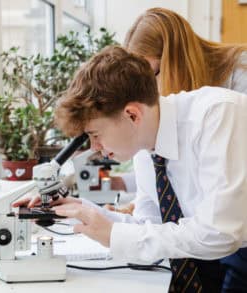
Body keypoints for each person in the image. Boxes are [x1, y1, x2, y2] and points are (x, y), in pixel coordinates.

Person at [42, 45, 247, 292]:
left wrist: (115, 235)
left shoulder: (217, 115)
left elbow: (219, 233)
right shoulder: (145, 149)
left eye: (95, 134)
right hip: (215, 255)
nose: (95, 147)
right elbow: (149, 226)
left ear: (132, 115)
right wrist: (83, 211)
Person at [107, 7, 247, 216]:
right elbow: (177, 172)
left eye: (150, 74)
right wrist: (139, 206)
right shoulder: (181, 98)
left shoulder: (239, 74)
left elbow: (227, 174)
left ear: (174, 59)